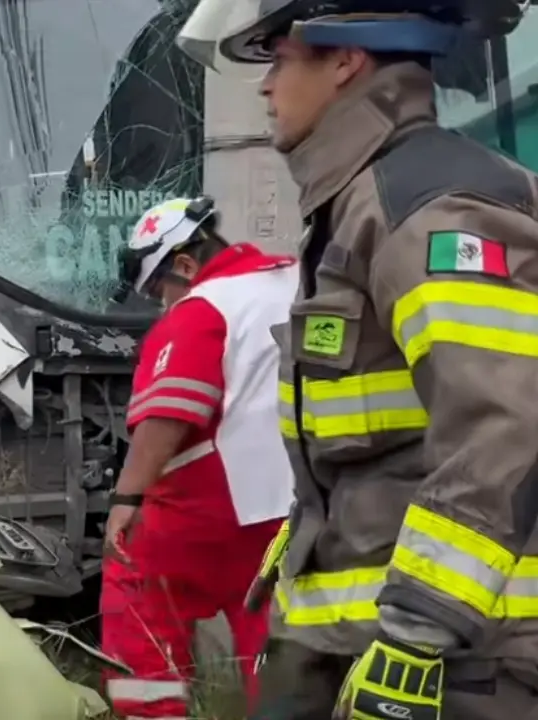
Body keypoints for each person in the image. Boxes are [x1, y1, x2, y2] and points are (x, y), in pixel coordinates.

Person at [174, 1, 536, 718]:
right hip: (345, 649)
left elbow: (504, 427)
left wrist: (417, 632)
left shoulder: (432, 206)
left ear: (346, 60)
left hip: (454, 664)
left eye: (277, 58)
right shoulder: (357, 205)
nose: (266, 86)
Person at [99, 195, 295, 718]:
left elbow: (171, 411)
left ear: (186, 265)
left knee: (134, 577)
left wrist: (127, 497)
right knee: (267, 623)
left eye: (160, 289)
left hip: (218, 500)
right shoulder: (300, 278)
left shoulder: (202, 308)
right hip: (298, 500)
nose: (163, 304)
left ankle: (152, 711)